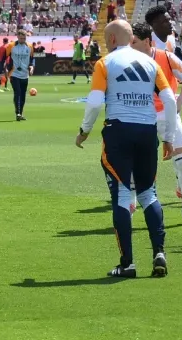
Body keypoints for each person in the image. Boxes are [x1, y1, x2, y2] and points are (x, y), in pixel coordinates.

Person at [75, 19, 176, 279]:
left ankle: (128, 263)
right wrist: (168, 136)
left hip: (119, 131)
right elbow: (168, 100)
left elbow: (95, 101)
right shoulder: (151, 63)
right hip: (147, 131)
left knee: (121, 197)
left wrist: (84, 131)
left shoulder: (104, 63)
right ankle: (159, 253)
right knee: (148, 194)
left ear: (110, 40)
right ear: (131, 38)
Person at [138, 12, 182, 225]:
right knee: (138, 165)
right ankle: (129, 207)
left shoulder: (165, 54)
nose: (170, 23)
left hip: (167, 115)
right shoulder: (130, 58)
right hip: (141, 116)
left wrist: (178, 103)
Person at [4, 32, 35, 120]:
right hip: (14, 73)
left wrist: (31, 66)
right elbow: (4, 58)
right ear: (17, 37)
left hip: (25, 74)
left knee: (23, 94)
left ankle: (20, 113)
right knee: (17, 92)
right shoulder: (11, 46)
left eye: (24, 38)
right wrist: (4, 69)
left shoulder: (29, 46)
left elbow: (32, 58)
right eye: (21, 38)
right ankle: (17, 113)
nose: (22, 40)